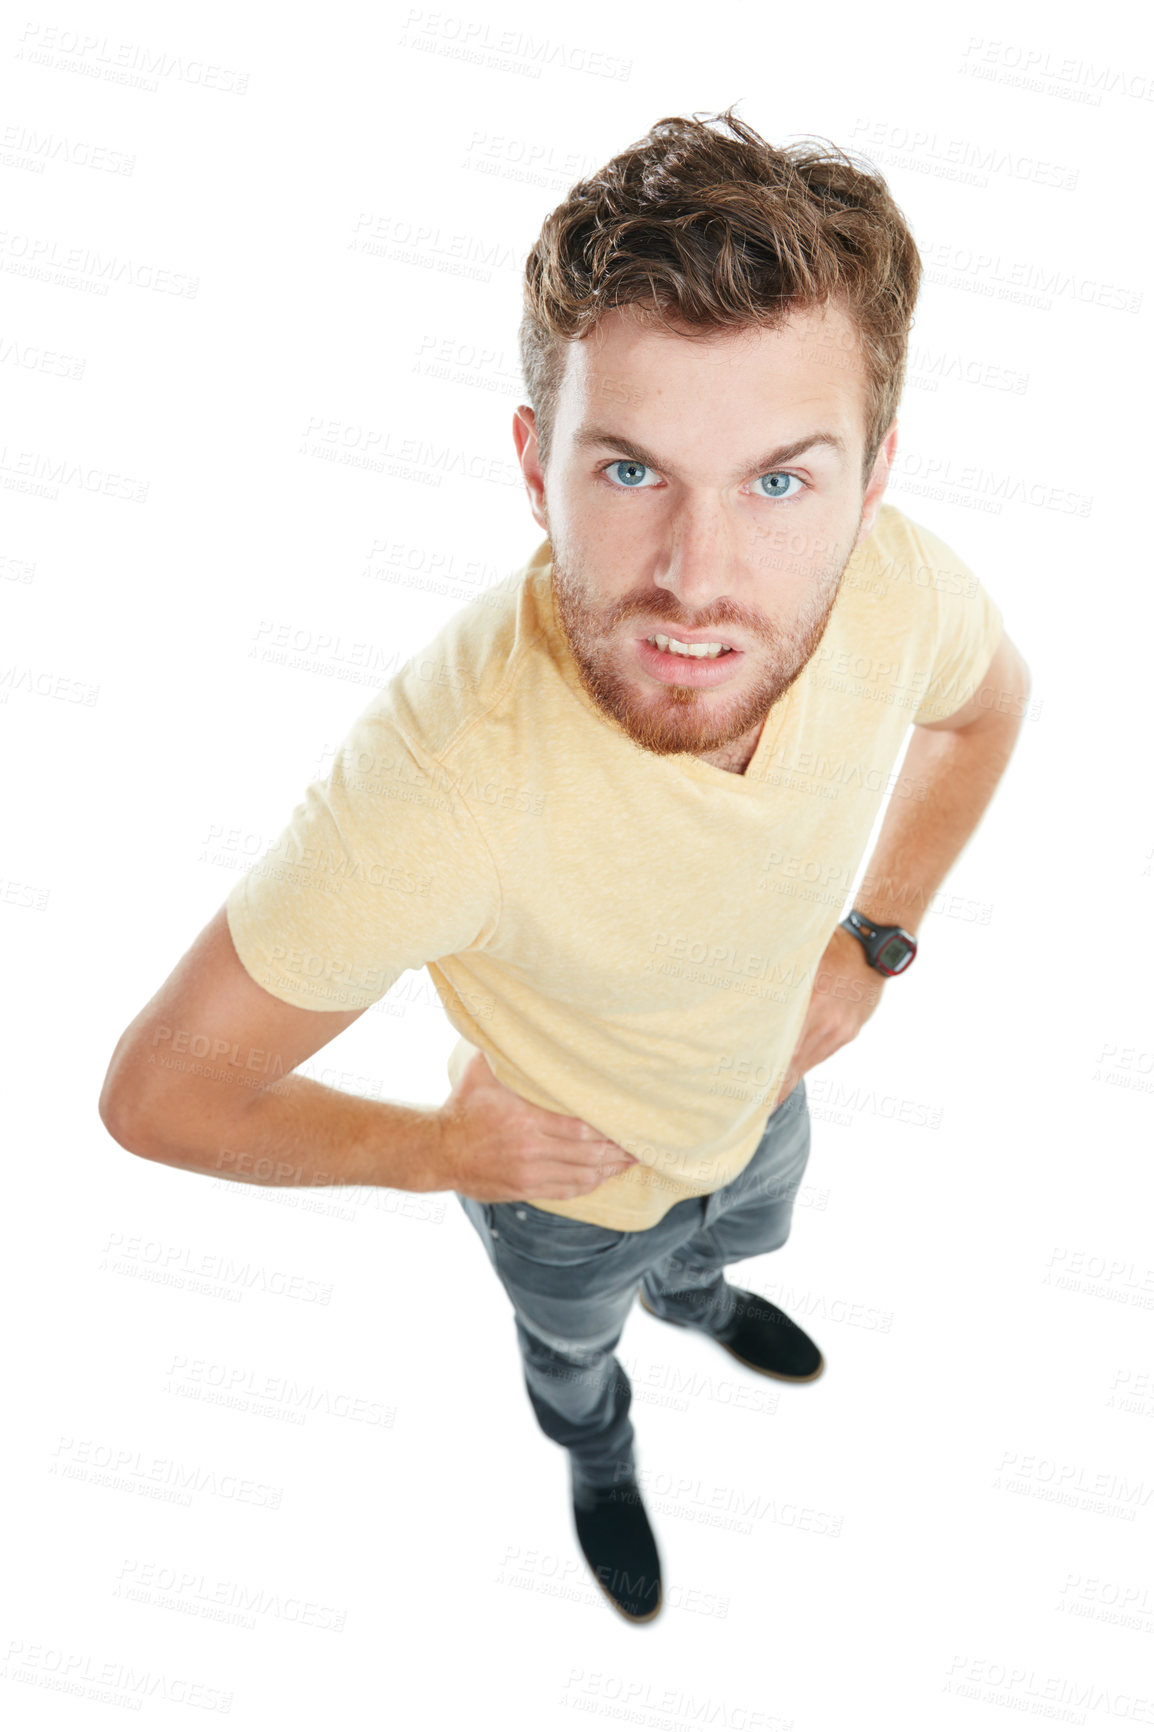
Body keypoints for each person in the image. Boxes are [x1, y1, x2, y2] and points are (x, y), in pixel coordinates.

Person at [98, 106, 1030, 1626]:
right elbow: (159, 1095)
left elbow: (989, 710)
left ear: (871, 481)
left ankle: (705, 1297)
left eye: (781, 483)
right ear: (536, 464)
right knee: (573, 1349)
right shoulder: (441, 785)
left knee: (732, 1237)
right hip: (561, 1194)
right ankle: (596, 1444)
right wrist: (438, 1154)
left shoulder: (900, 587)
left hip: (762, 1098)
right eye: (630, 472)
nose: (695, 580)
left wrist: (874, 941)